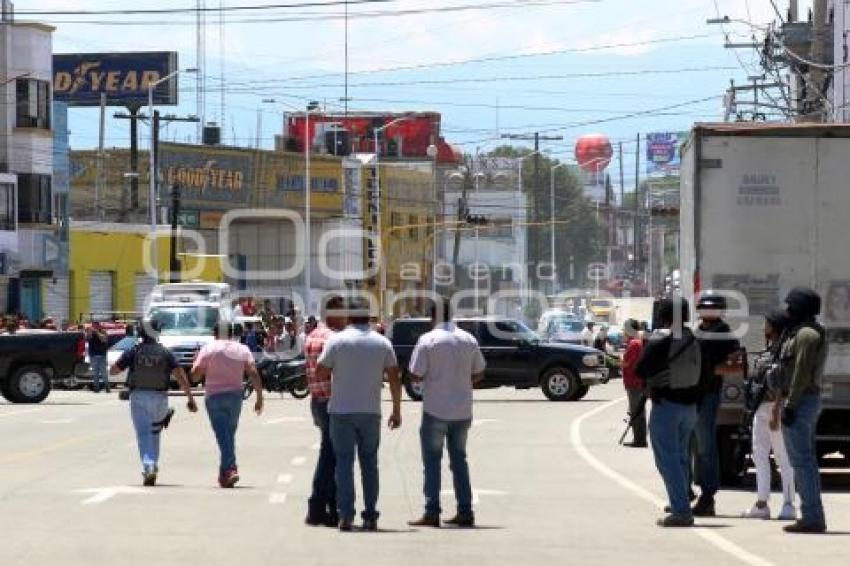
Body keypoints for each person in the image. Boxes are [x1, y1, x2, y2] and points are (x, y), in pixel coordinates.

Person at [315, 299, 402, 532]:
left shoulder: (337, 341)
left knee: (343, 464)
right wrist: (396, 410)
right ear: (368, 316)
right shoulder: (382, 343)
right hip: (370, 411)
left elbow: (320, 370)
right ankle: (371, 514)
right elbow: (394, 377)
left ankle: (346, 515)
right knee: (369, 464)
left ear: (348, 317)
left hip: (341, 411)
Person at [406, 298, 485, 529]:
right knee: (459, 460)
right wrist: (462, 381)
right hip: (462, 411)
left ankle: (432, 512)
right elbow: (479, 372)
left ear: (432, 317)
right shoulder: (468, 339)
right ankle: (465, 511)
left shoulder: (428, 340)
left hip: (435, 410)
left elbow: (416, 374)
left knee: (432, 462)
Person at [635, 297, 702, 527]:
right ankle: (681, 500)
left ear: (663, 315)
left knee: (668, 459)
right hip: (690, 407)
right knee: (682, 457)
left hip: (667, 406)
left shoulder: (660, 339)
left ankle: (682, 511)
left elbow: (640, 369)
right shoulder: (693, 337)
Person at [110, 320, 197, 486]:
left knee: (144, 435)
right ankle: (154, 464)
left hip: (139, 396)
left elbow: (114, 370)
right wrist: (190, 398)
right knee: (155, 433)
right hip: (160, 398)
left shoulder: (134, 351)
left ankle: (149, 466)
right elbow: (180, 375)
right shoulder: (165, 352)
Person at [192, 322, 264, 488]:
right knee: (228, 436)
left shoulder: (208, 349)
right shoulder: (242, 349)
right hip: (235, 397)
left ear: (215, 334)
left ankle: (231, 469)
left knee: (223, 436)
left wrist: (195, 361)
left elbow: (195, 377)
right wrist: (260, 397)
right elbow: (253, 372)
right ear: (232, 334)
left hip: (214, 396)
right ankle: (224, 474)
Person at [780, 288, 828, 533]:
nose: (787, 311)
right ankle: (812, 514)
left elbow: (800, 373)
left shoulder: (807, 335)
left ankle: (812, 517)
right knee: (805, 461)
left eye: (791, 307)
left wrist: (790, 404)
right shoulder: (802, 332)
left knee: (802, 462)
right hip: (805, 399)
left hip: (801, 400)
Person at [742, 310, 796, 521]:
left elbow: (785, 384)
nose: (764, 326)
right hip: (761, 409)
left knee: (783, 458)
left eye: (767, 323)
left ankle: (789, 504)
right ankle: (762, 503)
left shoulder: (784, 353)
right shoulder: (768, 351)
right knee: (759, 455)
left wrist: (776, 411)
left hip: (776, 409)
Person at [691, 291, 740, 517]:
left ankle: (708, 496)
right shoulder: (696, 331)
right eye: (705, 307)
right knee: (686, 447)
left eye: (713, 307)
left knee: (705, 448)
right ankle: (683, 494)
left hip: (707, 394)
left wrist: (706, 370)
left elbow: (736, 367)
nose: (708, 311)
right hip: (688, 395)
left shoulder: (726, 334)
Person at [304, 296, 346, 527]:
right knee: (331, 457)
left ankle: (330, 508)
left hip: (317, 401)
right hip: (332, 402)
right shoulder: (332, 338)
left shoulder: (312, 335)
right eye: (343, 312)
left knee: (331, 454)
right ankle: (317, 507)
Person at [620, 319, 647, 448]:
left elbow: (626, 363)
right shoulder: (635, 342)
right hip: (635, 382)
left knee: (637, 412)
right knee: (636, 411)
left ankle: (639, 439)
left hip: (635, 383)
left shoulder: (634, 344)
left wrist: (617, 361)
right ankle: (638, 438)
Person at [87, 321, 111, 393]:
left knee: (104, 373)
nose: (93, 327)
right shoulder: (90, 332)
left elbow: (104, 340)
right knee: (95, 373)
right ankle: (96, 388)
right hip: (93, 355)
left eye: (95, 326)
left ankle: (107, 387)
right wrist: (90, 332)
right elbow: (88, 338)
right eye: (93, 325)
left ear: (98, 326)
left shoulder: (103, 332)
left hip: (102, 355)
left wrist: (97, 332)